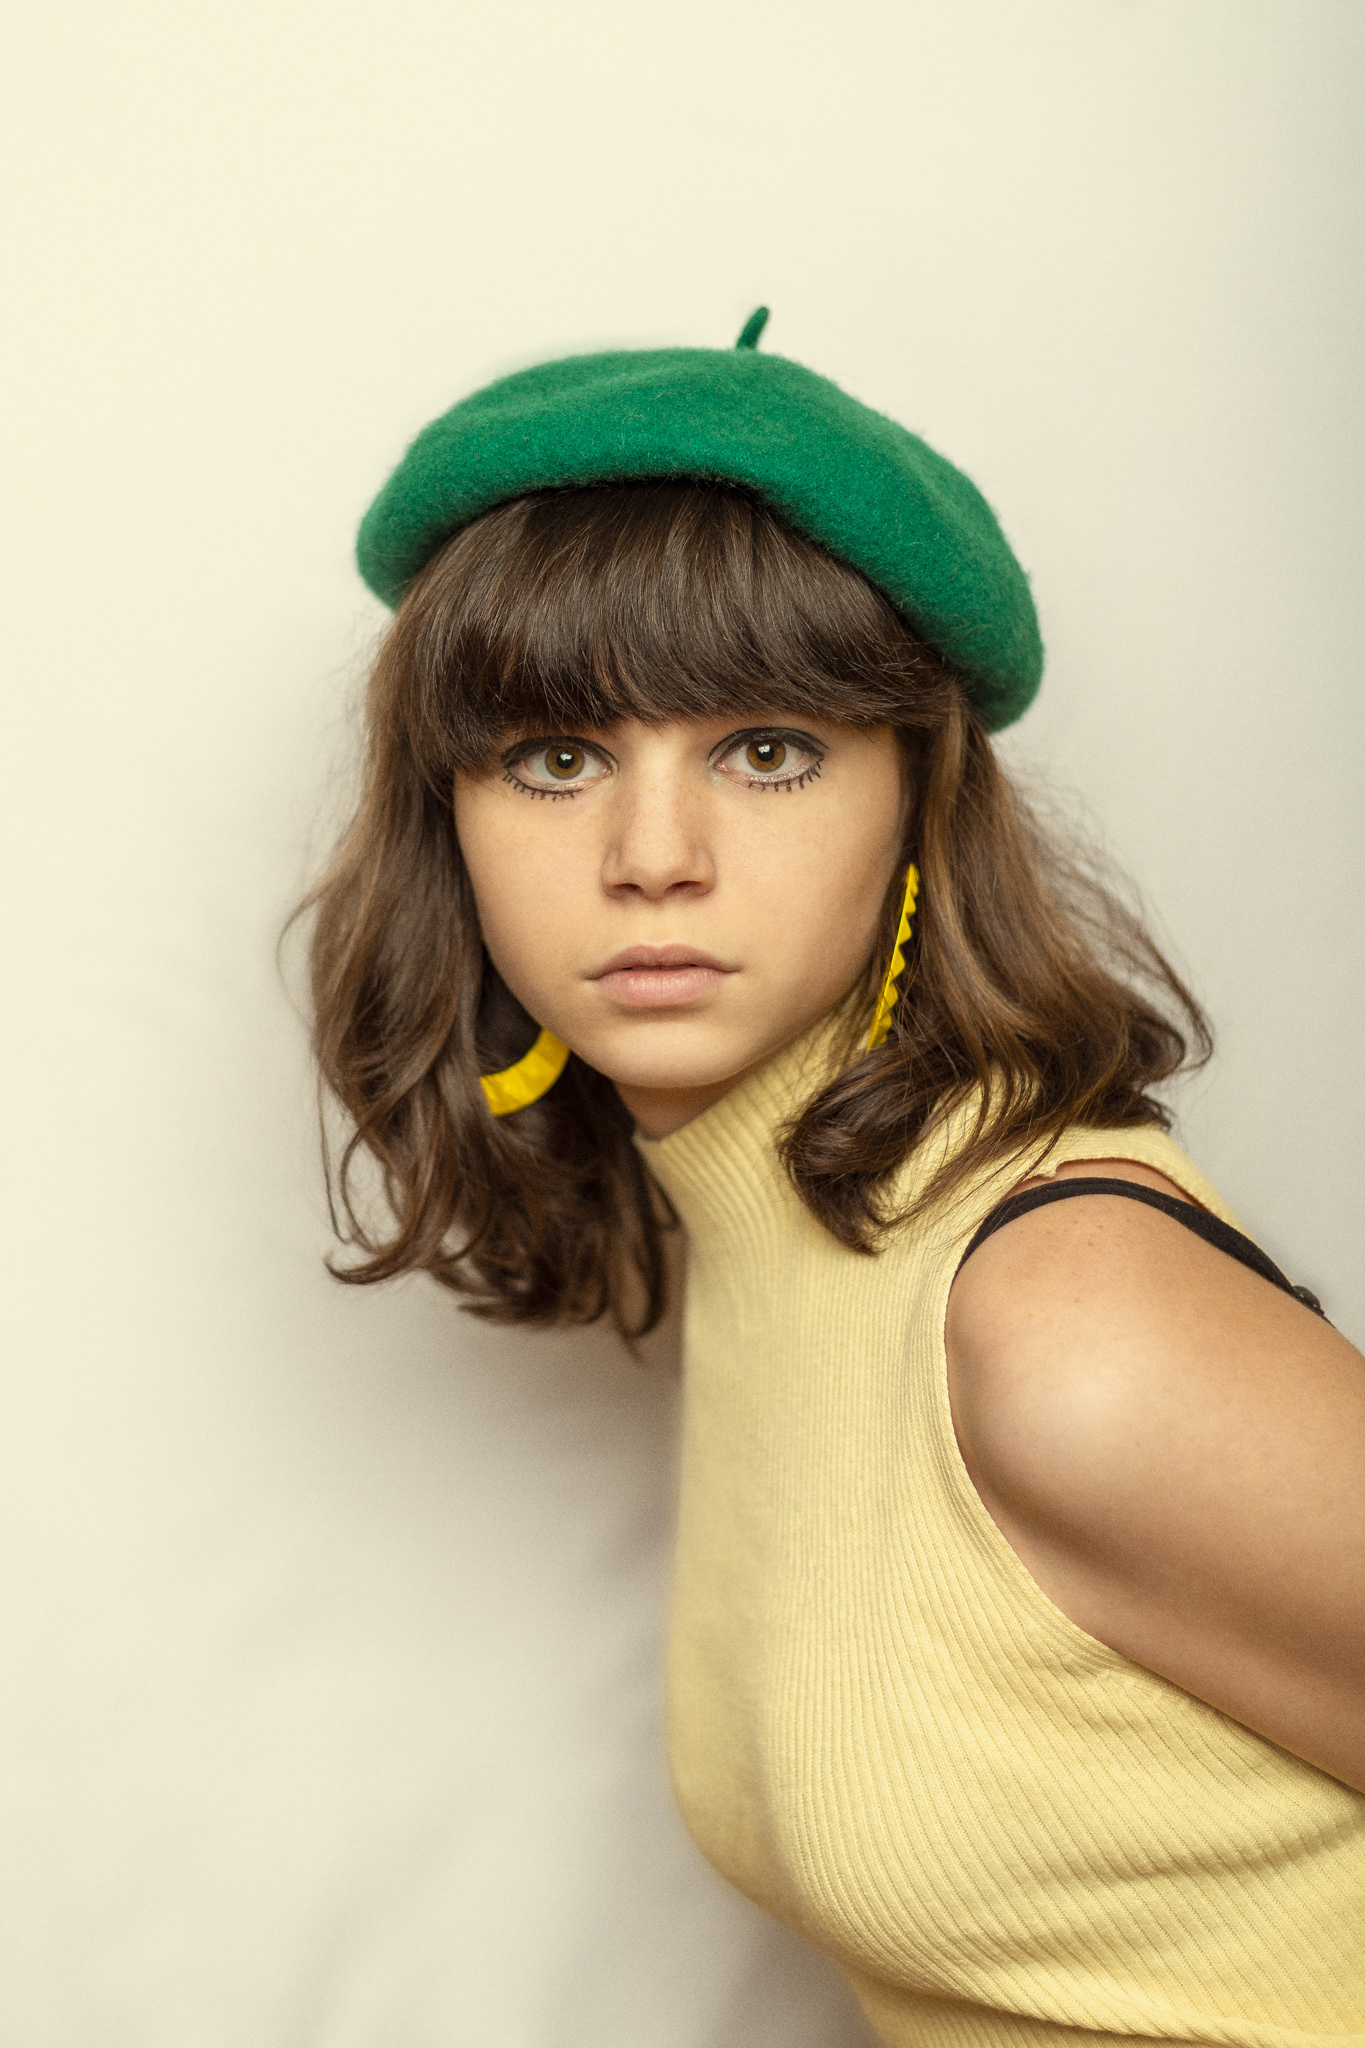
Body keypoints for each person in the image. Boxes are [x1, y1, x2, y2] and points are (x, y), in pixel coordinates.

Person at [302, 311, 1365, 2044]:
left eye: (767, 749)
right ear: (450, 821)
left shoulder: (1063, 1325)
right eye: (557, 758)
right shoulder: (779, 1240)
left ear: (915, 804)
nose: (653, 857)